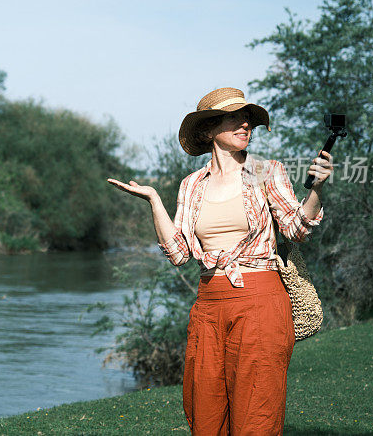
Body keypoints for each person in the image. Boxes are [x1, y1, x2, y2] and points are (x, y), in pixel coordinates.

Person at [107, 87, 332, 436]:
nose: (245, 124)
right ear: (209, 130)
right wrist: (153, 200)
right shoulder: (191, 185)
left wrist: (317, 191)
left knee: (256, 414)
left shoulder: (267, 171)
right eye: (234, 118)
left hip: (260, 301)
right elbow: (180, 254)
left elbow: (296, 228)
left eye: (249, 119)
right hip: (209, 307)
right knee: (205, 411)